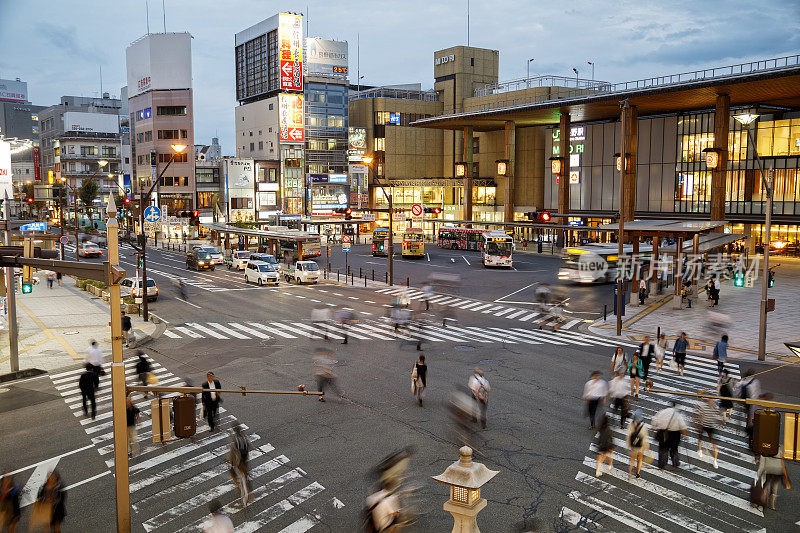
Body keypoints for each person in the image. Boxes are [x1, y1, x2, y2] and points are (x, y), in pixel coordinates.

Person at [652, 402, 688, 469]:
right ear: (674, 407)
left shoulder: (662, 412)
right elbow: (683, 426)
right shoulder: (677, 414)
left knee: (663, 449)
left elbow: (655, 422)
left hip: (664, 433)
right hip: (675, 434)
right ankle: (675, 463)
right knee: (674, 449)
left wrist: (654, 428)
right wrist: (685, 435)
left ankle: (662, 464)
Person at [694, 396, 722, 469]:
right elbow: (699, 415)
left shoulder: (715, 407)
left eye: (712, 401)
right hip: (704, 425)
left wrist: (719, 421)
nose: (711, 402)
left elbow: (719, 414)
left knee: (714, 443)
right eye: (710, 401)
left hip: (711, 426)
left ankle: (715, 460)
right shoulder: (704, 407)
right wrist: (698, 424)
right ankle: (699, 450)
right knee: (700, 438)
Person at [228, 425, 252, 505]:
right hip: (244, 459)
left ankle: (237, 485)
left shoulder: (235, 440)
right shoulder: (245, 438)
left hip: (238, 461)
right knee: (245, 475)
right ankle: (249, 491)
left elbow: (233, 452)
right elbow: (250, 447)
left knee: (232, 471)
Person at [626, 409, 649, 480]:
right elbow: (645, 438)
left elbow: (628, 436)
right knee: (639, 460)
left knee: (632, 460)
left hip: (633, 446)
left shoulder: (631, 425)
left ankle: (629, 473)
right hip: (640, 446)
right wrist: (647, 447)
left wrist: (628, 445)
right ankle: (637, 474)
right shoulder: (644, 426)